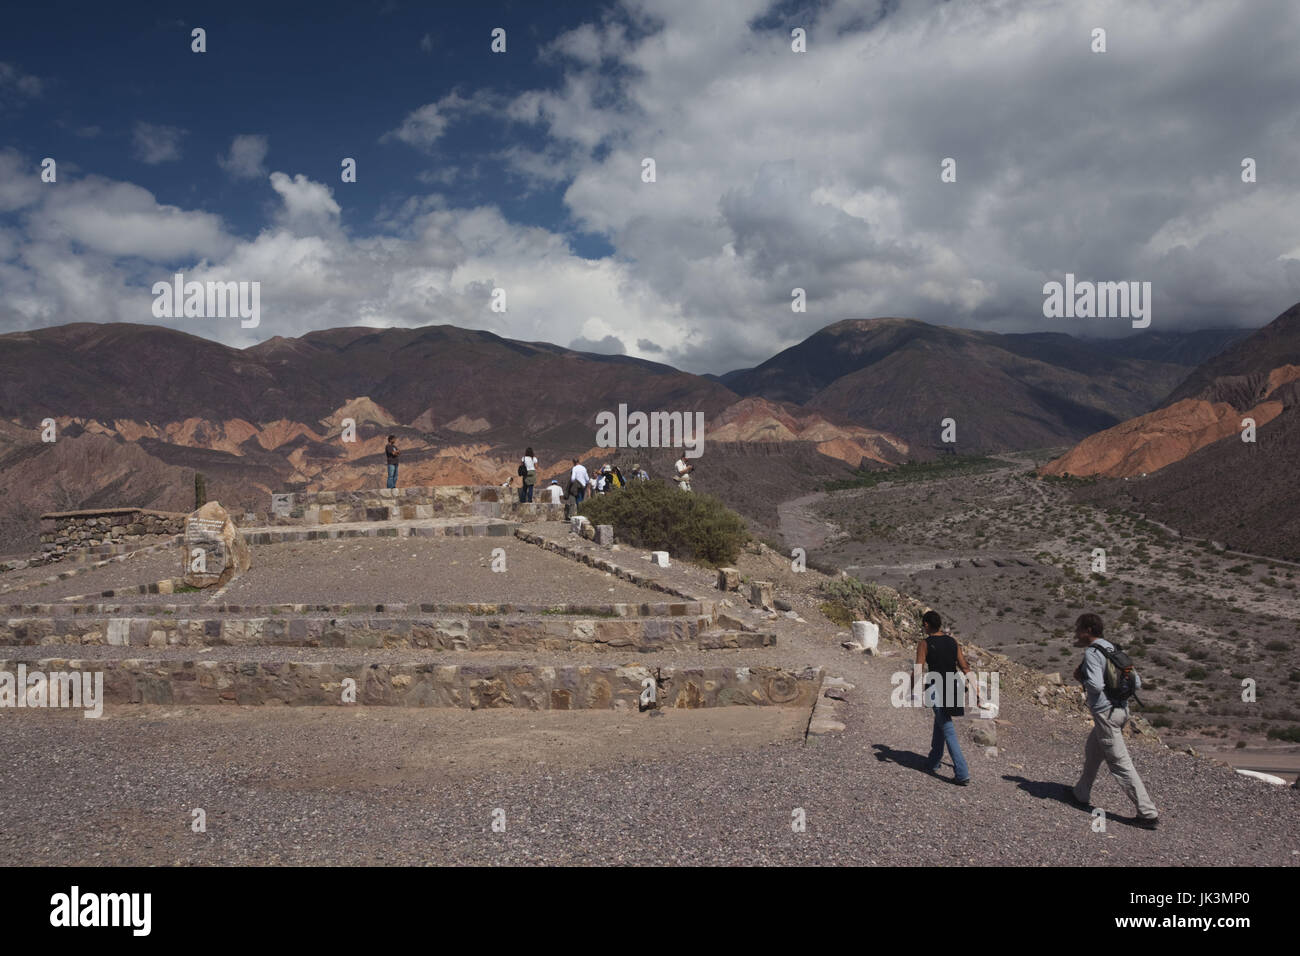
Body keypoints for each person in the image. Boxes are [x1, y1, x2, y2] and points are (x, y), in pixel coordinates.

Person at [1068, 613, 1158, 828]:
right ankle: (1080, 793)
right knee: (1092, 751)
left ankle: (1147, 813)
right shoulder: (1112, 648)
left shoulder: (1092, 653)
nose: (1075, 633)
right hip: (1121, 710)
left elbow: (1096, 686)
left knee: (1120, 764)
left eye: (1078, 629)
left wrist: (1083, 679)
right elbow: (1137, 683)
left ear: (1088, 629)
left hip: (1105, 713)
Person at [912, 610, 979, 786]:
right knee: (941, 722)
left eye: (923, 625)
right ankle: (933, 761)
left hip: (937, 688)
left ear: (926, 624)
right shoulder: (952, 642)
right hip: (954, 685)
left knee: (947, 727)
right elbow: (965, 667)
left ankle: (962, 773)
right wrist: (977, 690)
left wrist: (913, 689)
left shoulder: (924, 644)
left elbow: (918, 669)